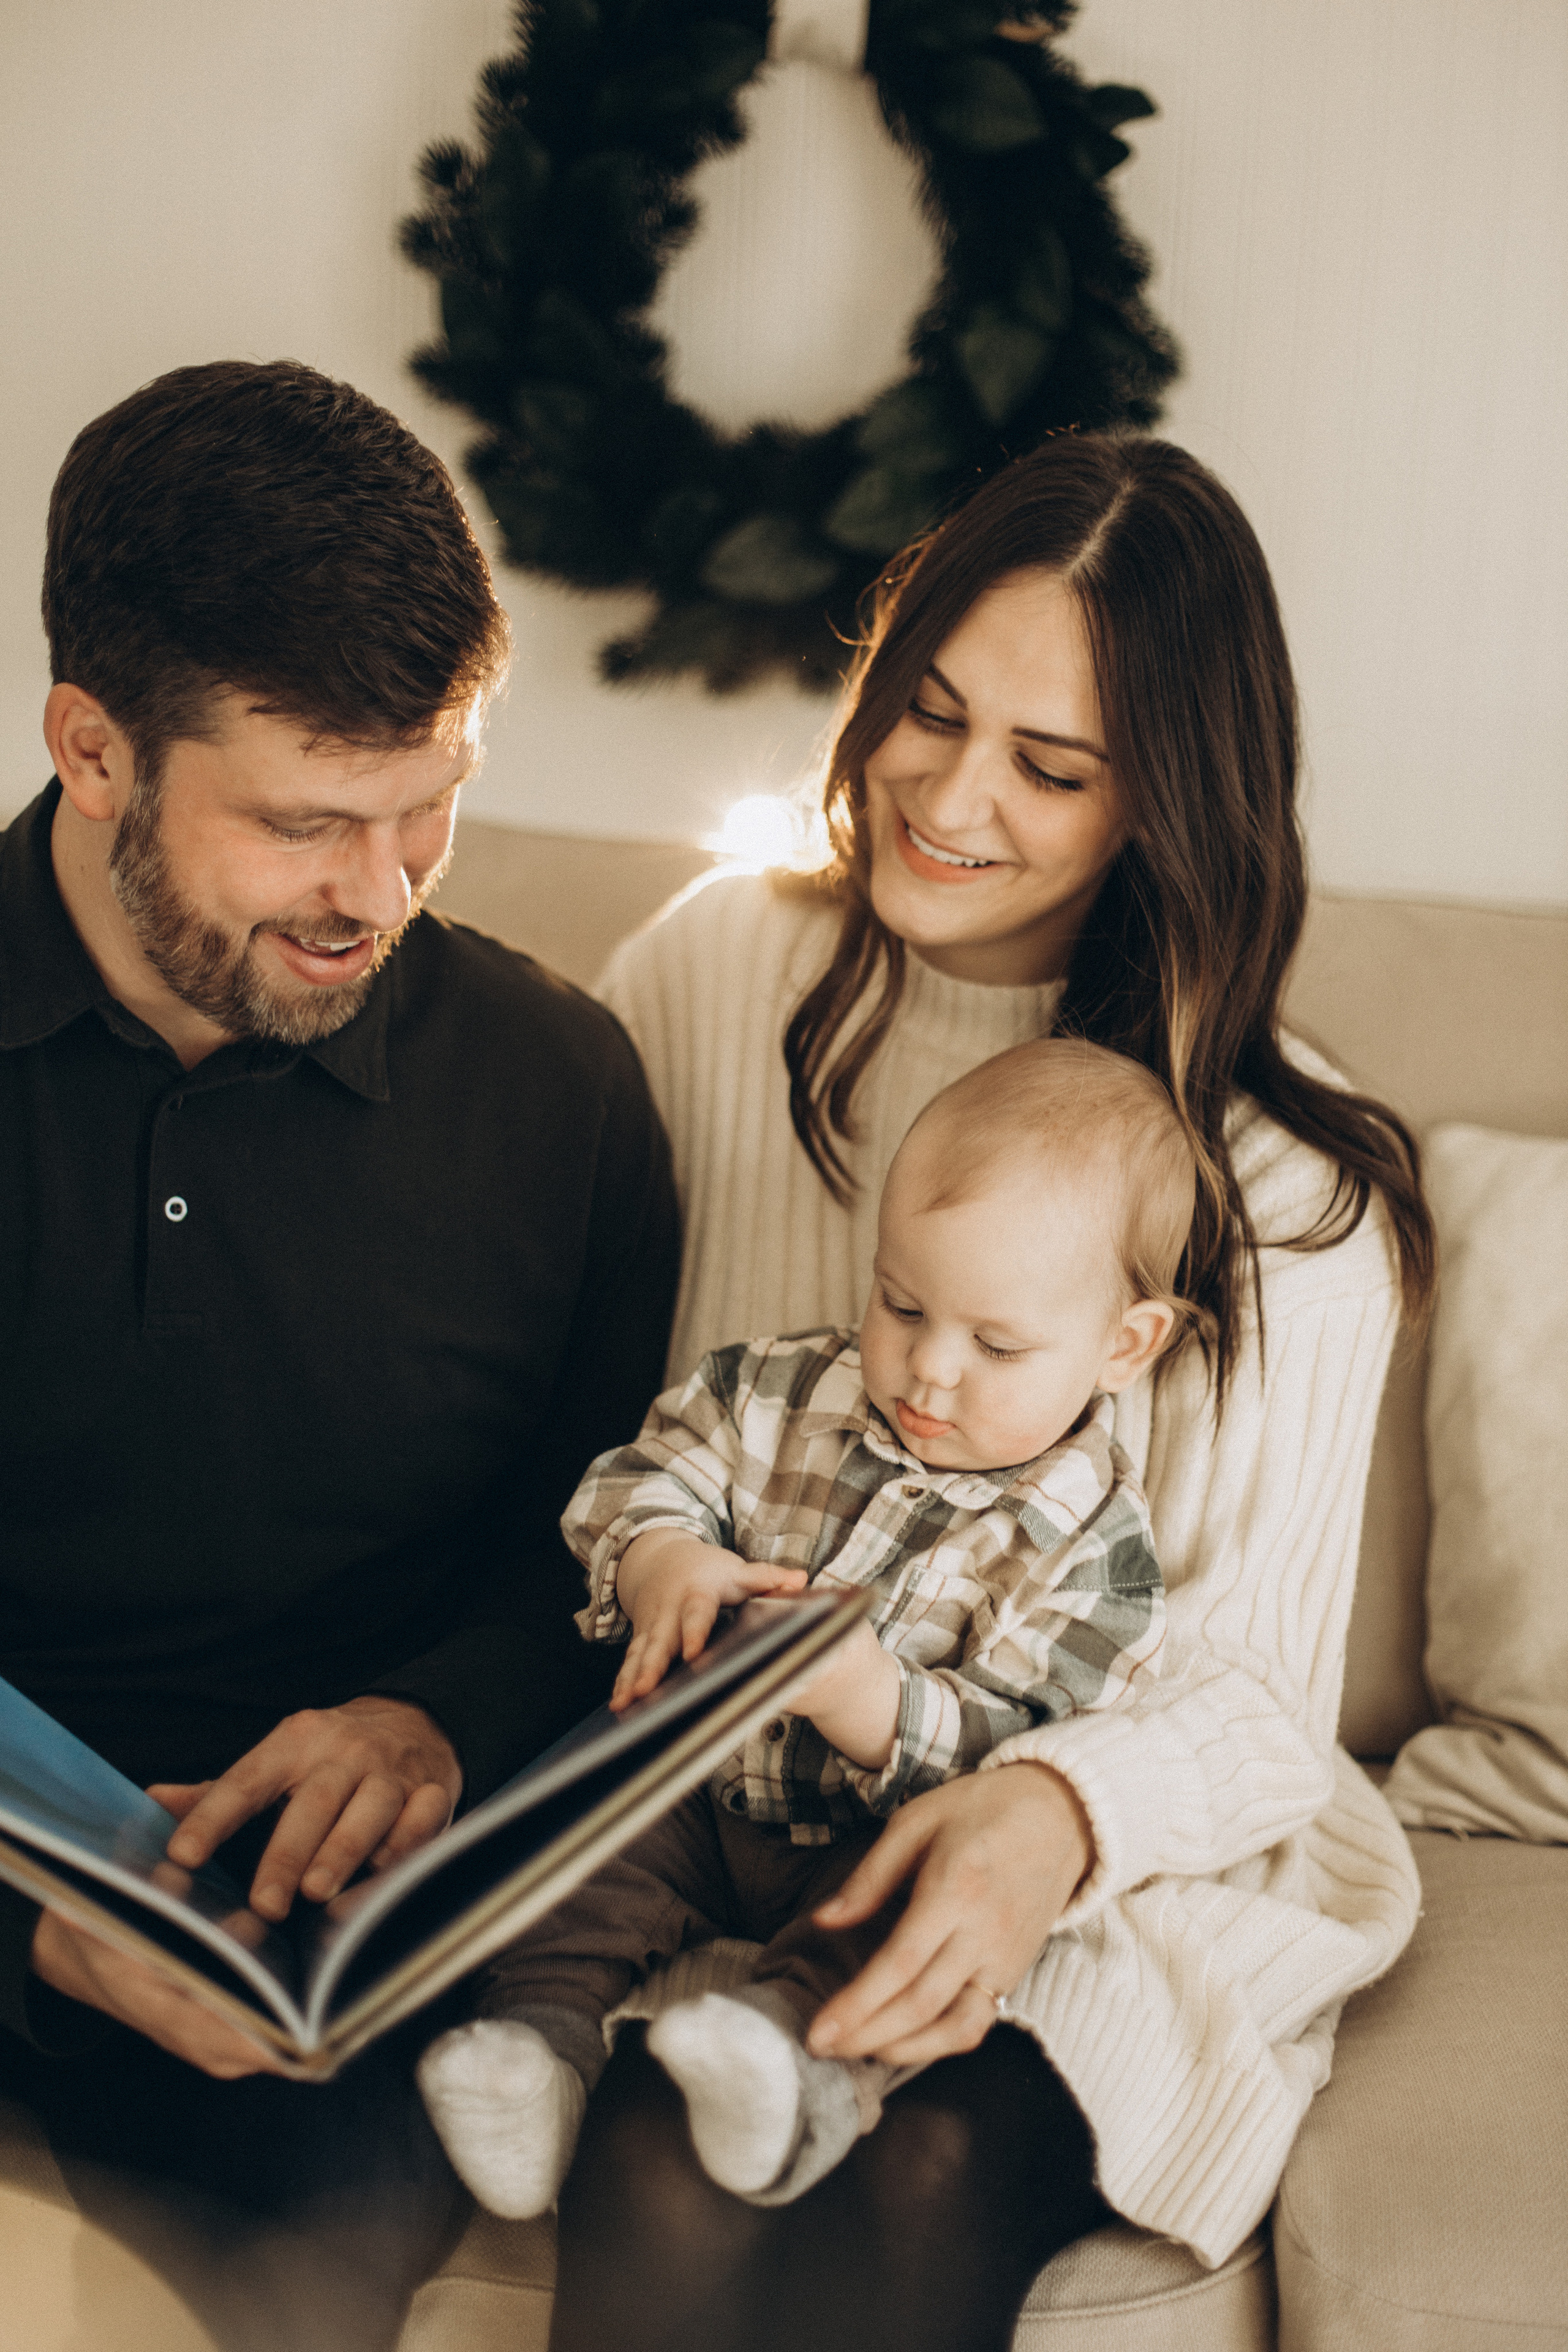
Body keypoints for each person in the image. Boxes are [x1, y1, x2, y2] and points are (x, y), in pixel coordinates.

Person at [540, 432, 1438, 2352]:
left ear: (1166, 807)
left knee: (926, 2159)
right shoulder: (711, 972)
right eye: (927, 715)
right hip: (739, 1796)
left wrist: (1050, 1817)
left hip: (1118, 1842)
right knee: (650, 2158)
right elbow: (571, 1425)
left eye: (1051, 767)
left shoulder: (1287, 1189)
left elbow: (1264, 1696)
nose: (948, 799)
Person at [0, 360, 679, 2352]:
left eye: (432, 810)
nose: (378, 895)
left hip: (318, 1973)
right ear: (93, 748)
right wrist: (46, 1933)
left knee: (306, 2252)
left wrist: (438, 1717)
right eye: (308, 827)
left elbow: (600, 1548)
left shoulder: (555, 1089)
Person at [420, 1037, 1192, 2218]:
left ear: (1125, 1345)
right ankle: (537, 2060)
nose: (928, 1369)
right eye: (901, 1303)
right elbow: (640, 1480)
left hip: (871, 1830)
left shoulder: (1096, 1544)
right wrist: (664, 1558)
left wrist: (873, 1700)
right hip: (694, 1785)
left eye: (995, 1346)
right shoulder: (774, 1389)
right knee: (572, 1847)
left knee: (903, 1931)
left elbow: (1036, 1731)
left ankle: (784, 2069)